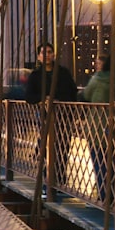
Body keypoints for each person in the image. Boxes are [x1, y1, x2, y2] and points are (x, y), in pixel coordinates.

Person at [79, 51, 115, 201]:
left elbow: (86, 96)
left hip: (97, 128)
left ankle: (105, 196)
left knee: (100, 164)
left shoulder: (97, 79)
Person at [25, 43, 78, 194]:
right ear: (39, 57)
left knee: (62, 149)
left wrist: (61, 102)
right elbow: (29, 96)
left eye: (49, 52)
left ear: (54, 54)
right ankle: (46, 182)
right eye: (43, 53)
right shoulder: (35, 76)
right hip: (46, 117)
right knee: (46, 149)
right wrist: (43, 99)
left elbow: (72, 93)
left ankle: (60, 183)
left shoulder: (63, 73)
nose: (47, 55)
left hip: (63, 117)